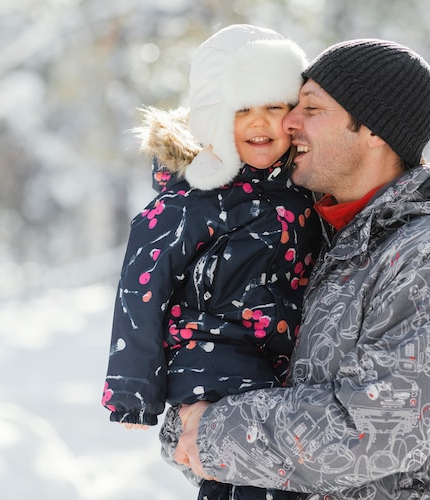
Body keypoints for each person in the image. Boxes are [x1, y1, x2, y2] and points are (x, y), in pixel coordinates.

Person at [171, 38, 430, 499]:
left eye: (311, 107)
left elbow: (373, 432)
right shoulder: (311, 239)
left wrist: (208, 433)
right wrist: (184, 420)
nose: (289, 121)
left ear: (372, 130)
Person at [102, 24, 321, 500]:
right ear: (216, 117)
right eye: (242, 110)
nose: (260, 124)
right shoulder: (195, 199)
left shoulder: (301, 191)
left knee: (270, 473)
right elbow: (143, 282)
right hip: (209, 355)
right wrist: (132, 388)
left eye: (274, 107)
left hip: (270, 360)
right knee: (248, 474)